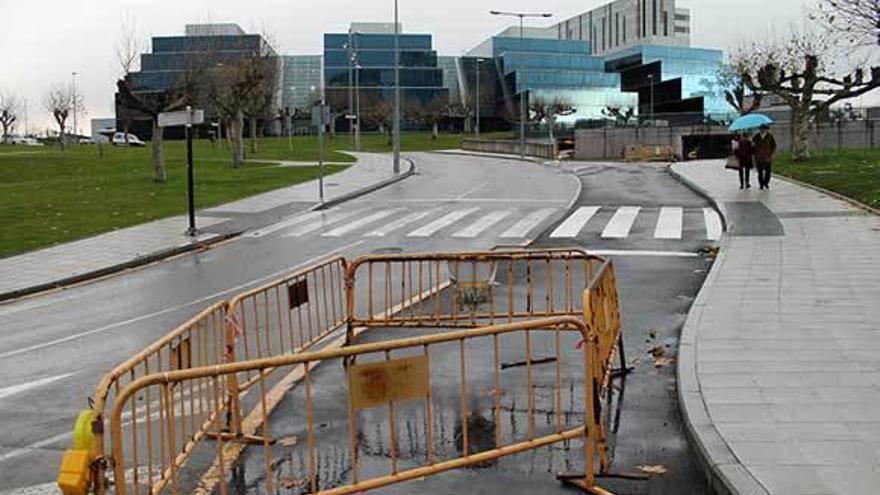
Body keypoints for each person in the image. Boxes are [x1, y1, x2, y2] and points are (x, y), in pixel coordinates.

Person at [753, 125, 777, 189]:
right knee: (760, 172)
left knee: (768, 171)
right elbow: (753, 146)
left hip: (767, 157)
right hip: (759, 157)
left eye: (764, 129)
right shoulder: (756, 137)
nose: (762, 130)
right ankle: (761, 184)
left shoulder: (770, 136)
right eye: (761, 129)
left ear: (766, 130)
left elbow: (774, 145)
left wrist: (771, 153)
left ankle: (766, 182)